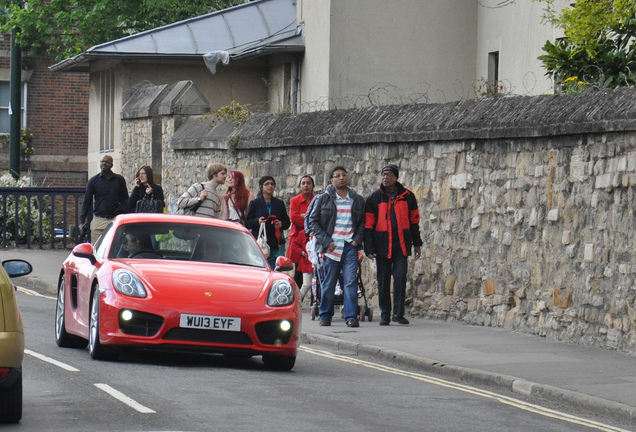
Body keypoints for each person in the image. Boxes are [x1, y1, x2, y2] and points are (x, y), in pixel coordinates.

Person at [306, 166, 365, 328]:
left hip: (349, 247)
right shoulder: (323, 198)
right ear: (331, 181)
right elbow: (313, 221)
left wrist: (356, 240)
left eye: (344, 175)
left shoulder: (356, 199)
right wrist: (326, 241)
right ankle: (325, 315)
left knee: (350, 282)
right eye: (337, 176)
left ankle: (351, 317)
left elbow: (361, 223)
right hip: (331, 248)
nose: (341, 178)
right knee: (329, 282)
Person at [364, 164, 422, 326]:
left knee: (400, 276)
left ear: (396, 177)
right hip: (381, 245)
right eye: (383, 174)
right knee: (383, 280)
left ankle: (398, 313)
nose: (385, 177)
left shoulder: (408, 197)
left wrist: (417, 243)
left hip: (401, 245)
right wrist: (368, 248)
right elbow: (368, 225)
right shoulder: (374, 198)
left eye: (389, 174)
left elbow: (414, 222)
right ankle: (385, 313)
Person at [80, 155, 129, 242]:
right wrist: (82, 221)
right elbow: (87, 201)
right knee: (96, 248)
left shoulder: (119, 180)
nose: (103, 164)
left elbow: (125, 199)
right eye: (102, 162)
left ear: (111, 165)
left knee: (114, 248)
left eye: (106, 162)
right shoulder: (93, 181)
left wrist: (121, 210)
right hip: (99, 220)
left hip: (115, 219)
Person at [245, 176, 291, 268]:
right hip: (261, 240)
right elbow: (247, 222)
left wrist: (281, 224)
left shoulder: (279, 203)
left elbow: (287, 222)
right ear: (262, 187)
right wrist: (257, 221)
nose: (270, 186)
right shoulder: (255, 203)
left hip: (276, 241)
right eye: (267, 184)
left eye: (272, 184)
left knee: (275, 267)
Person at [287, 175, 315, 301]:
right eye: (303, 183)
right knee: (298, 270)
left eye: (308, 183)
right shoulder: (295, 201)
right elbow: (294, 218)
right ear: (299, 186)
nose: (306, 185)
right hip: (299, 240)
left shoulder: (317, 199)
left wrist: (305, 216)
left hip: (313, 238)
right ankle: (296, 299)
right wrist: (309, 219)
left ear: (313, 185)